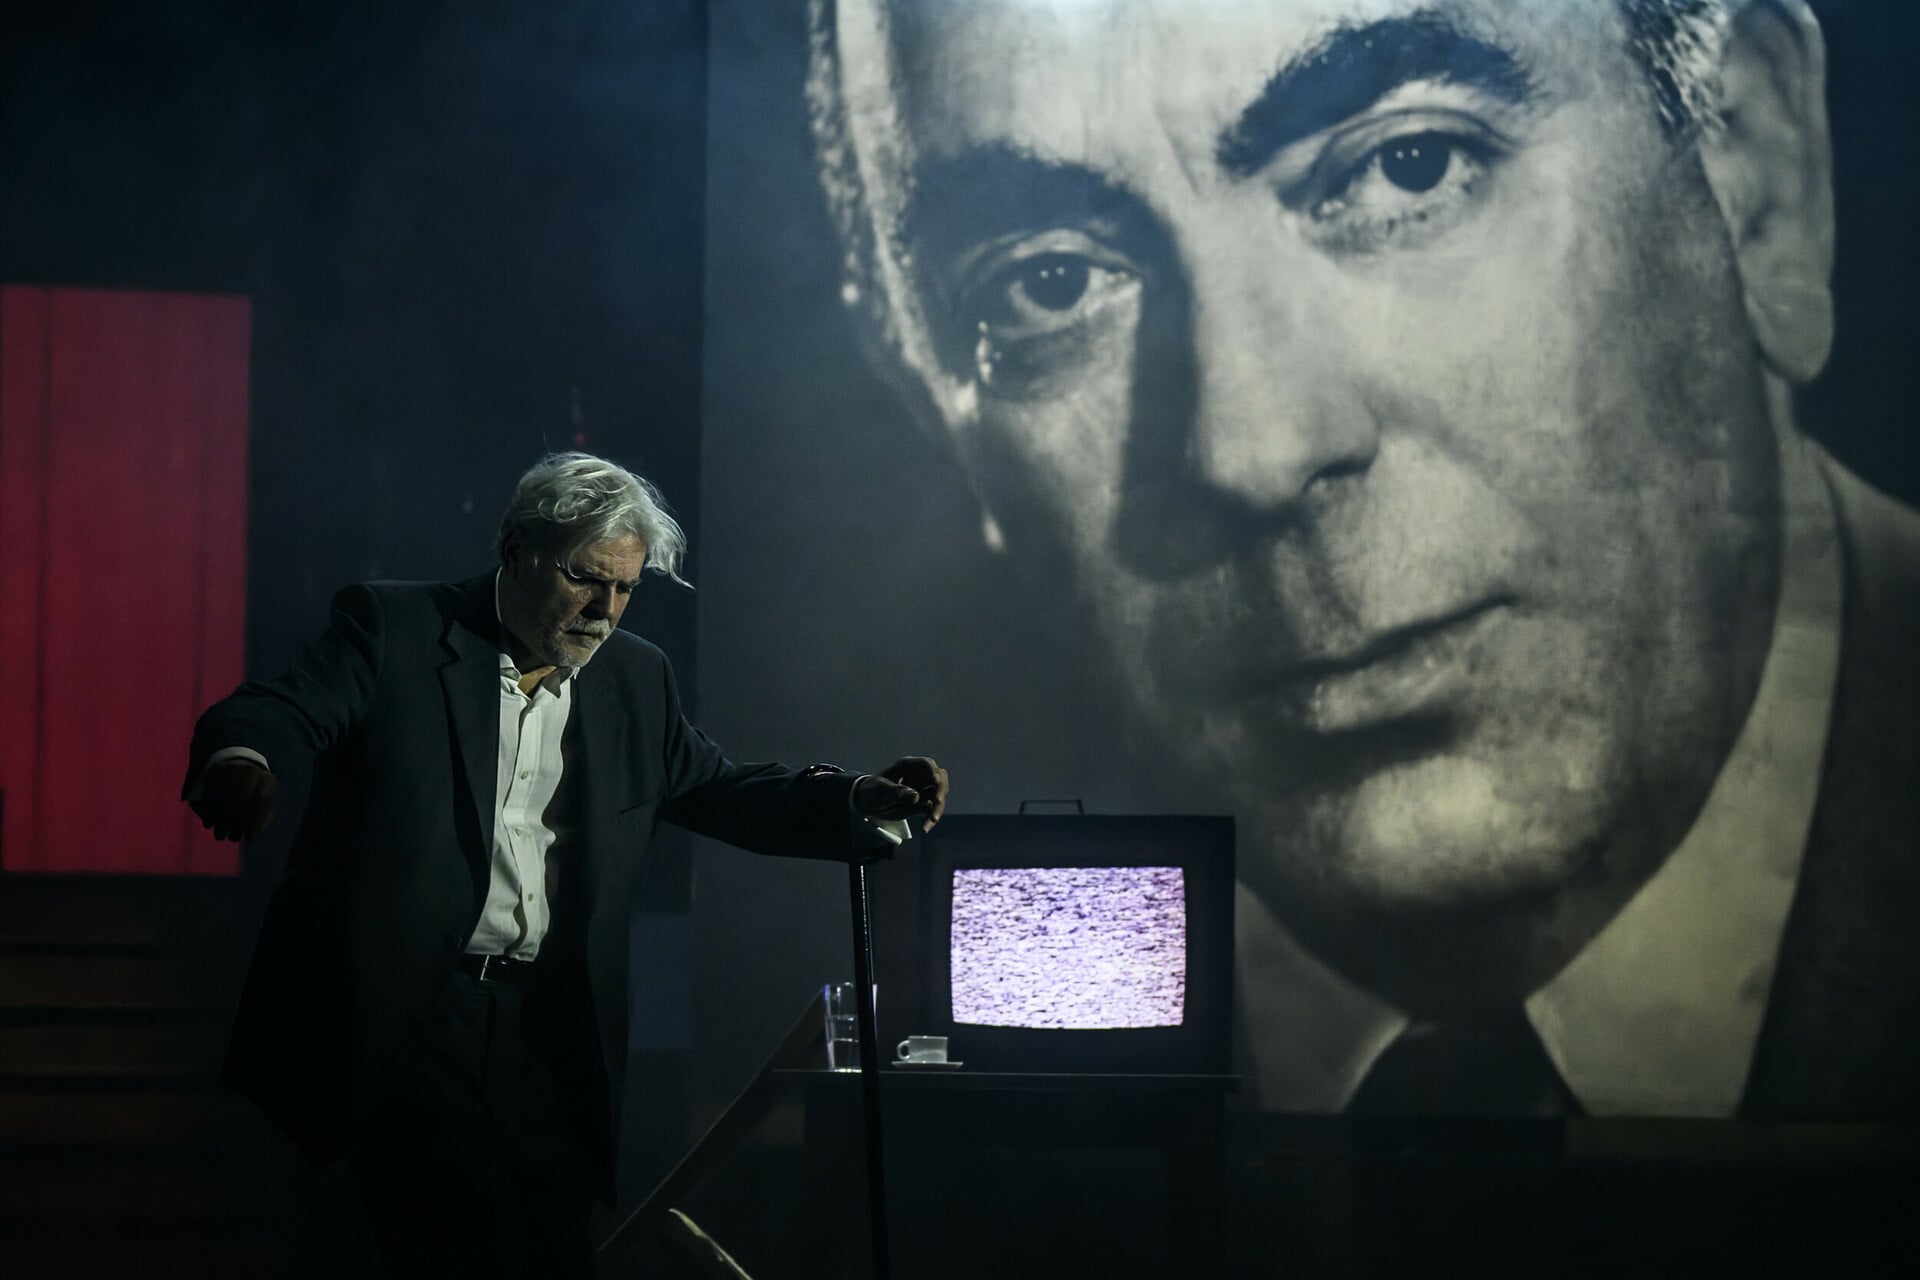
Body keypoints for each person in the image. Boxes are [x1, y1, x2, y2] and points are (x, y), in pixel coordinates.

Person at [802, 0, 1920, 1117]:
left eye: (1407, 166)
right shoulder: (883, 1037)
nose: (1252, 449)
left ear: (1755, 172)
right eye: (1049, 284)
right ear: (927, 411)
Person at [184, 452, 948, 1273]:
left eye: (626, 588)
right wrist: (243, 758)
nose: (604, 609)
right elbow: (277, 708)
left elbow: (718, 788)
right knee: (466, 1238)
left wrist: (856, 801)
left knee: (553, 1247)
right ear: (517, 548)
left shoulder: (634, 677)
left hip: (551, 1028)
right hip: (412, 1009)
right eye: (586, 578)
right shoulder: (396, 628)